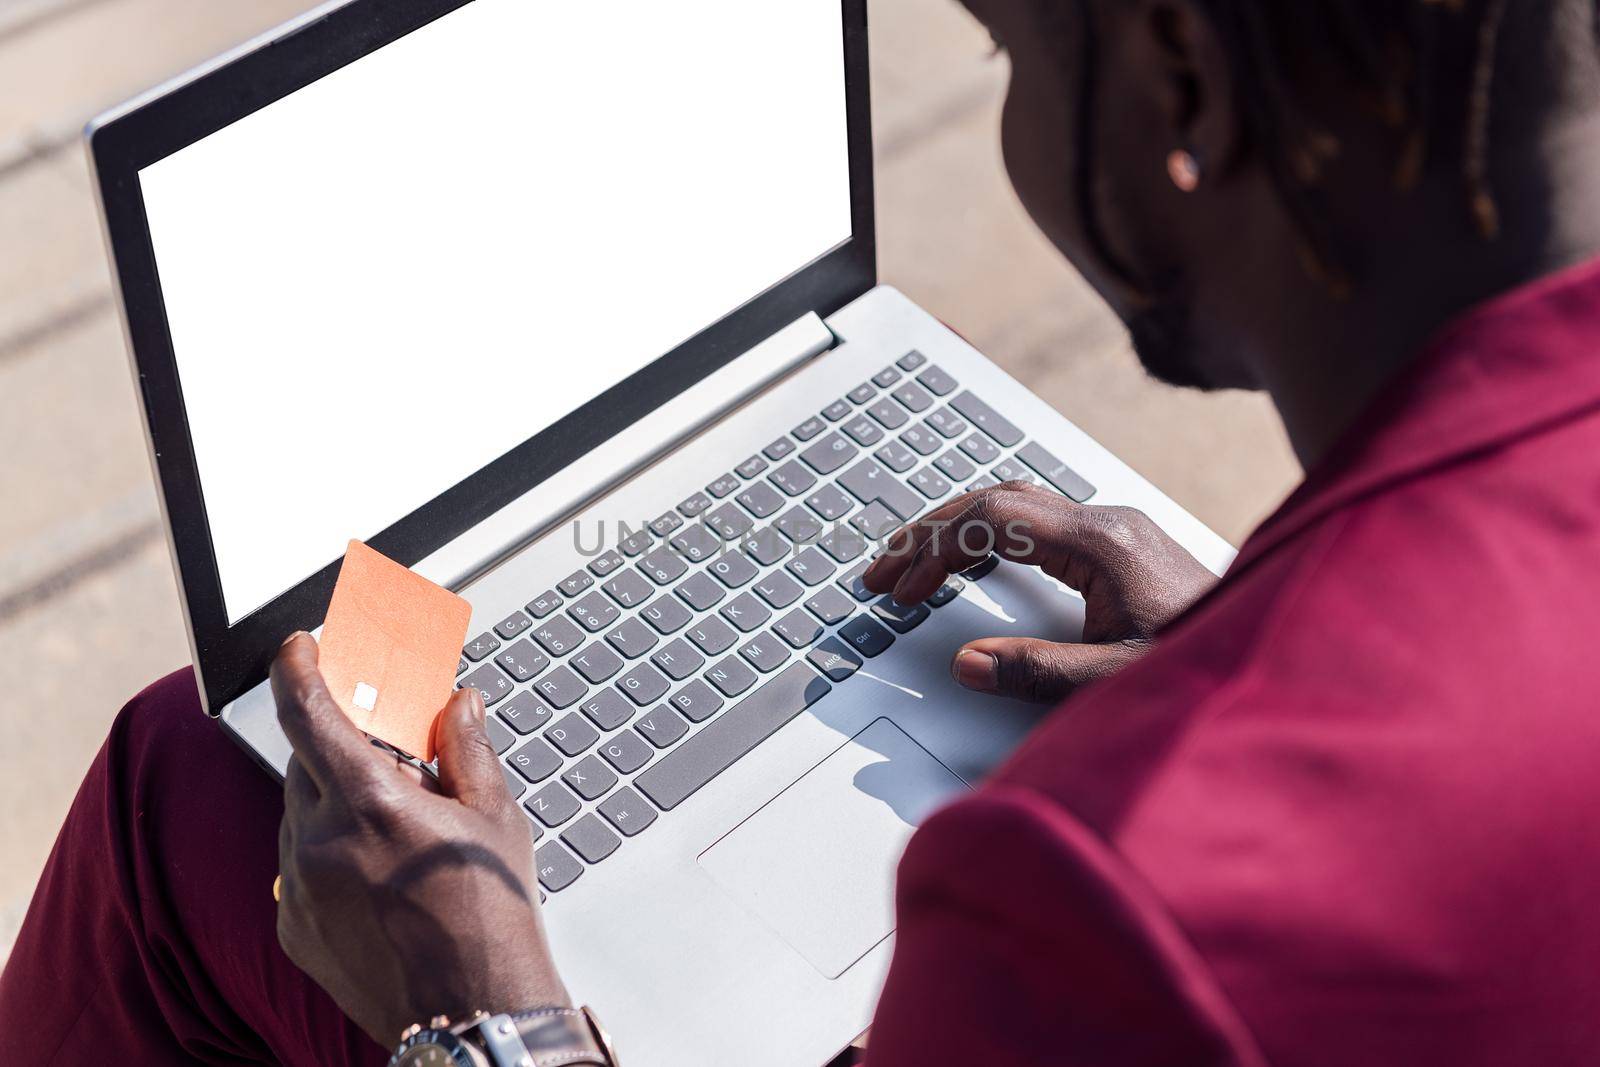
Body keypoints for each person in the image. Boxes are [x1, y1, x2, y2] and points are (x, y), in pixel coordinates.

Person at [7, 0, 1600, 1061]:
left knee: (186, 784)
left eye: (1008, 55)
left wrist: (485, 1015)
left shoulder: (1108, 906)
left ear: (1179, 78)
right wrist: (1260, 641)